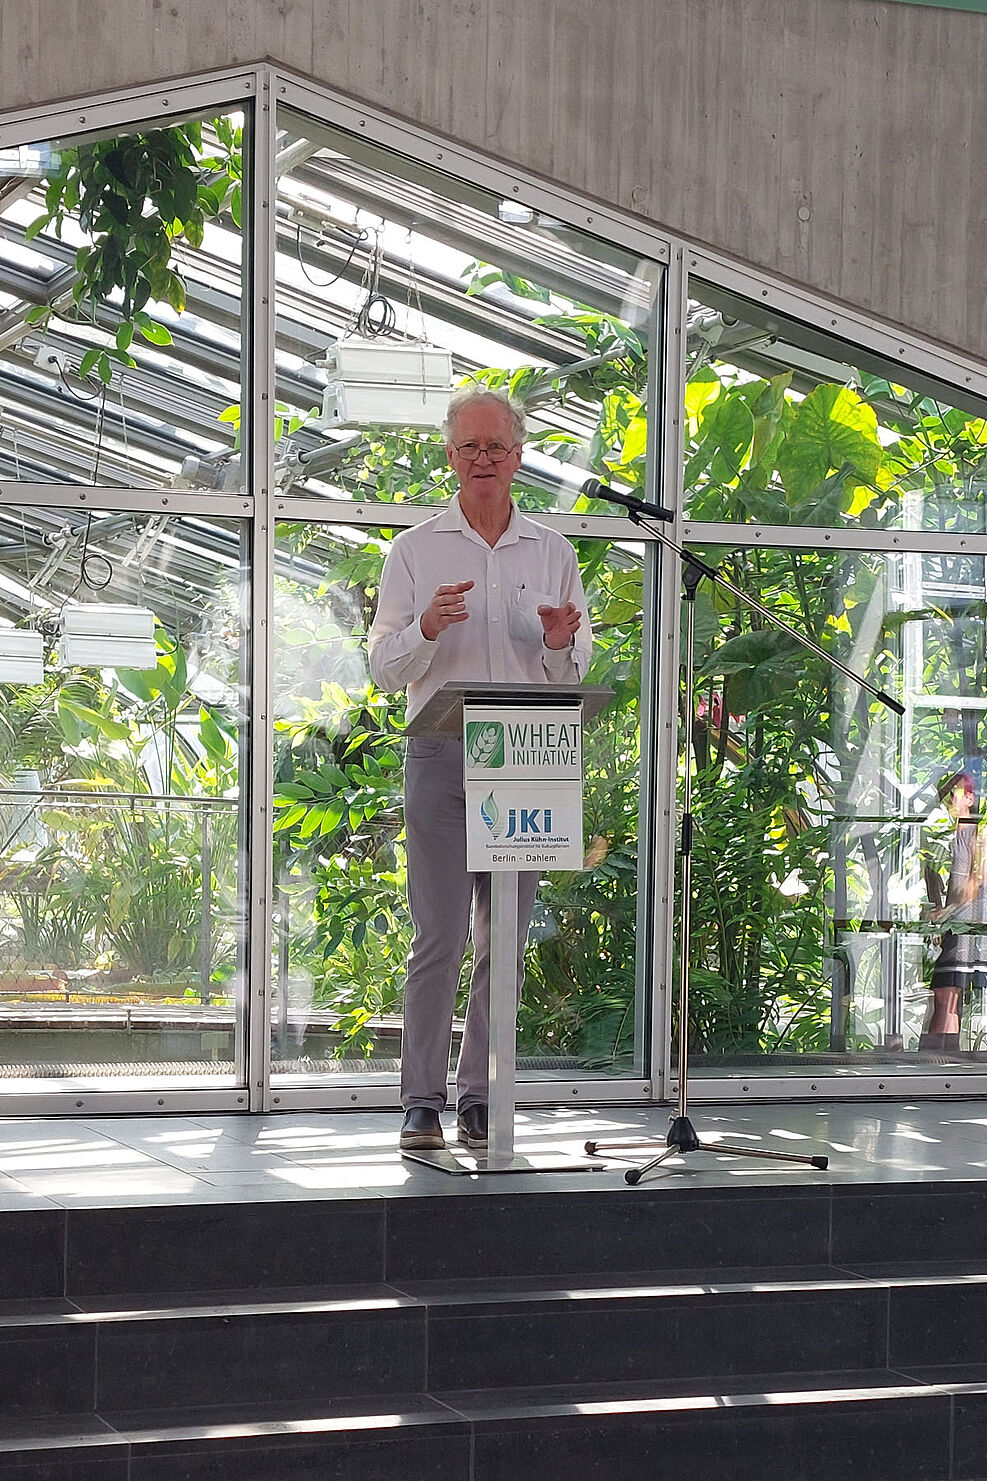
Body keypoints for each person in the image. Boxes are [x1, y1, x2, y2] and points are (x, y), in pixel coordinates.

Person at [367, 387, 592, 1151]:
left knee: (504, 941)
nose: (483, 459)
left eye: (496, 446)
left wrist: (561, 642)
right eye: (469, 447)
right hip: (439, 756)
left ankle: (480, 1096)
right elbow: (382, 669)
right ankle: (419, 1099)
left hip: (526, 759)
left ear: (519, 455)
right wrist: (426, 627)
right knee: (438, 936)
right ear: (450, 456)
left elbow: (572, 668)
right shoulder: (415, 548)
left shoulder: (551, 552)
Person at [921, 770, 987, 1050]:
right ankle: (944, 1060)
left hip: (968, 929)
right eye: (945, 795)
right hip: (957, 927)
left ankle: (939, 1063)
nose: (948, 800)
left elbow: (976, 881)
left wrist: (944, 914)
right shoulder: (956, 836)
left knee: (946, 994)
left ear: (970, 798)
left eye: (954, 793)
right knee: (947, 995)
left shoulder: (977, 834)